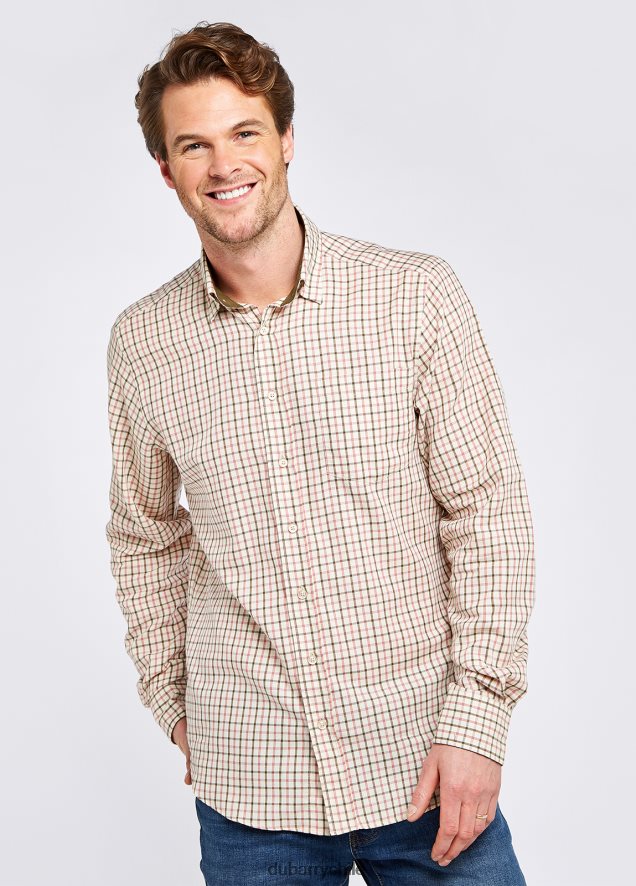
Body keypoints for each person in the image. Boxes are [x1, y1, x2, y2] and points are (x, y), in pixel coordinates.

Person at [105, 20, 535, 886]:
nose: (223, 165)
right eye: (194, 145)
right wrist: (175, 698)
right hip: (250, 789)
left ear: (287, 140)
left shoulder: (414, 296)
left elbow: (487, 514)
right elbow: (143, 533)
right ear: (166, 170)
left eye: (244, 133)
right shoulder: (143, 342)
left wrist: (478, 723)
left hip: (425, 765)